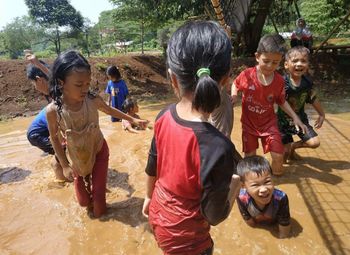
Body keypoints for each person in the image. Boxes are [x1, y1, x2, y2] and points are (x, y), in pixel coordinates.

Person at [142, 21, 241, 255]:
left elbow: (152, 164)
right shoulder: (219, 146)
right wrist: (236, 184)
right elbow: (215, 216)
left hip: (158, 217)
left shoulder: (163, 116)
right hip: (188, 240)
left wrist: (147, 196)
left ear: (173, 79)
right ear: (226, 80)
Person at [46, 50, 148, 218]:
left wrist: (133, 120)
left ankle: (100, 204)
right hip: (76, 157)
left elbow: (109, 110)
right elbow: (54, 138)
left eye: (87, 83)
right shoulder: (53, 111)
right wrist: (64, 165)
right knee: (84, 202)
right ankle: (88, 191)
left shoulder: (92, 100)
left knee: (99, 205)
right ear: (61, 82)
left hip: (99, 150)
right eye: (79, 85)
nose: (85, 89)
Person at [231, 34, 307, 176]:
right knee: (250, 157)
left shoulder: (279, 81)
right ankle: (254, 182)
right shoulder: (247, 75)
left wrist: (295, 117)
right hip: (249, 124)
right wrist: (234, 95)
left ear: (281, 62)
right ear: (257, 56)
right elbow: (235, 84)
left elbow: (281, 101)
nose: (270, 66)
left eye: (275, 62)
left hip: (269, 124)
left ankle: (277, 180)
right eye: (266, 61)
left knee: (278, 157)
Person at [277, 46, 325, 162]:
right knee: (284, 157)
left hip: (301, 120)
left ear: (308, 64)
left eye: (303, 61)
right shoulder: (282, 83)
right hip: (282, 123)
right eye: (295, 61)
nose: (299, 64)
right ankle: (289, 151)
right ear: (286, 65)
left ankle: (293, 146)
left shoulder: (307, 83)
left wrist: (322, 114)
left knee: (314, 143)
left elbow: (313, 98)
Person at [26, 63, 67, 183]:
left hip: (39, 131)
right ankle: (63, 185)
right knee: (60, 159)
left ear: (39, 80)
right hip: (38, 134)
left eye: (33, 83)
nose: (34, 87)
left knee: (61, 156)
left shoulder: (54, 92)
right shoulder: (53, 94)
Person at [236, 155, 291, 239]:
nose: (263, 189)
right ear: (243, 186)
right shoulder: (241, 197)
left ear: (273, 179)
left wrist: (283, 238)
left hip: (275, 222)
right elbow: (247, 218)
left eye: (267, 181)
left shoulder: (280, 198)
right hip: (258, 223)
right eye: (255, 185)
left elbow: (284, 224)